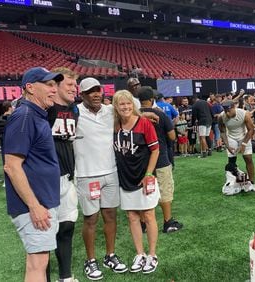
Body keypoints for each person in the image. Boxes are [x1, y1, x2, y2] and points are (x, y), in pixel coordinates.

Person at [3, 67, 64, 282]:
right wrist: (34, 206)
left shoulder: (36, 115)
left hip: (42, 201)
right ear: (29, 87)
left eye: (55, 85)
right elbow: (11, 166)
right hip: (35, 204)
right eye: (48, 84)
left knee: (39, 262)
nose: (54, 90)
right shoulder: (25, 116)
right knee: (38, 265)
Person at [74, 77, 127, 281]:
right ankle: (90, 260)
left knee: (111, 216)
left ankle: (110, 255)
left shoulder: (109, 111)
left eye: (98, 90)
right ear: (83, 95)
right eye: (91, 91)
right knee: (91, 219)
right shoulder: (75, 113)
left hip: (110, 172)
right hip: (86, 175)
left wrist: (149, 113)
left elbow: (131, 111)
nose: (96, 94)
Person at [112, 90, 160, 274]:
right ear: (116, 107)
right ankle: (140, 254)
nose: (125, 107)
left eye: (128, 103)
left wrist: (149, 173)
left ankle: (152, 254)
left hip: (143, 176)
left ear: (134, 105)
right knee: (132, 216)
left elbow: (155, 150)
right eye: (121, 104)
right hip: (125, 178)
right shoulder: (114, 125)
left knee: (148, 216)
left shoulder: (144, 123)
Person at [47, 67, 80, 282]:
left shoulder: (74, 110)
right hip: (46, 179)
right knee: (44, 234)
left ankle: (65, 276)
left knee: (67, 226)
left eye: (75, 85)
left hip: (68, 175)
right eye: (69, 84)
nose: (74, 88)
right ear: (55, 85)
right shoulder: (44, 109)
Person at [138, 86, 183, 233]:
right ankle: (167, 222)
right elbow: (172, 136)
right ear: (152, 99)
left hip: (140, 160)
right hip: (160, 157)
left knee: (143, 191)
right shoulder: (160, 113)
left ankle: (143, 223)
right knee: (165, 190)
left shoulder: (134, 115)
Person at [218, 100, 255, 192]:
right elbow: (222, 131)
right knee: (231, 162)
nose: (227, 113)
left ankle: (252, 183)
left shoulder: (244, 114)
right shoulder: (221, 117)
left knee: (248, 159)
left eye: (229, 111)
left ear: (234, 107)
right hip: (231, 137)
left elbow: (251, 130)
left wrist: (244, 144)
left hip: (244, 136)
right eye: (226, 111)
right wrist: (227, 145)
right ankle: (233, 182)